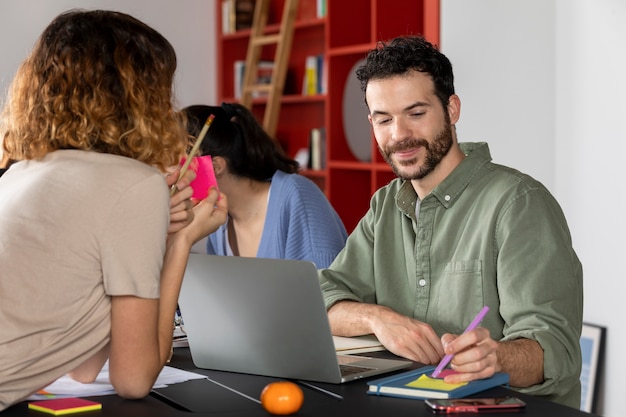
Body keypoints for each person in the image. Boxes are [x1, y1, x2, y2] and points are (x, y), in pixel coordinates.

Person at [319, 35, 583, 408]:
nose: (399, 135)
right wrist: (377, 318)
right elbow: (324, 297)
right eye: (384, 119)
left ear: (452, 109)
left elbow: (558, 353)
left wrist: (497, 358)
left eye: (416, 113)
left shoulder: (518, 203)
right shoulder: (385, 205)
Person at [0, 10, 228, 411]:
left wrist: (154, 227)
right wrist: (179, 242)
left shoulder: (20, 174)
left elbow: (83, 365)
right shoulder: (133, 184)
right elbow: (134, 379)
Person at [184, 103, 347, 268]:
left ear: (216, 166)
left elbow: (325, 288)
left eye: (179, 163)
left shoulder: (296, 197)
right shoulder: (216, 222)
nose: (173, 176)